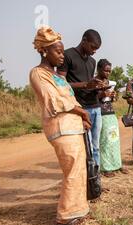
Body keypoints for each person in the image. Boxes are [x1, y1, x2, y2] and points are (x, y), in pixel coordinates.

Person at [29, 26, 92, 225]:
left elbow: (69, 97)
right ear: (44, 51)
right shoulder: (38, 74)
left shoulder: (58, 76)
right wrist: (82, 112)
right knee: (72, 168)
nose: (62, 56)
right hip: (61, 128)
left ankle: (78, 209)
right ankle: (66, 215)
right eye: (57, 51)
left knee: (79, 168)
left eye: (62, 51)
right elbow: (54, 101)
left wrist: (82, 117)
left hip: (73, 126)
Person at [58, 29, 107, 167]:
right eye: (92, 47)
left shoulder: (92, 61)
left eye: (96, 49)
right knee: (86, 147)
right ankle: (86, 179)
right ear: (84, 40)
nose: (94, 51)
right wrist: (86, 84)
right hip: (80, 108)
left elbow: (89, 84)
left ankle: (95, 179)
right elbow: (61, 84)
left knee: (96, 146)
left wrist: (97, 87)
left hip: (95, 107)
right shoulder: (67, 55)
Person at [95, 59, 128, 176]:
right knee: (105, 141)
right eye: (105, 70)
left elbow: (112, 100)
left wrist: (113, 96)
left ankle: (116, 164)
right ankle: (106, 167)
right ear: (98, 69)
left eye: (109, 71)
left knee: (114, 139)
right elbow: (89, 99)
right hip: (100, 113)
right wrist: (102, 94)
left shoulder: (110, 82)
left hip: (110, 113)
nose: (108, 73)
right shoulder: (94, 82)